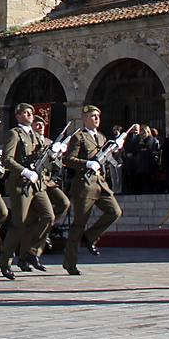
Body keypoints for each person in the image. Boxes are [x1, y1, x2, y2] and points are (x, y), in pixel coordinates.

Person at [61, 105, 129, 276]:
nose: (96, 118)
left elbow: (105, 159)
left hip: (100, 183)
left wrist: (114, 149)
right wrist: (86, 163)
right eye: (92, 116)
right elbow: (68, 159)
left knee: (114, 211)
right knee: (79, 223)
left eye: (98, 115)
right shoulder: (79, 137)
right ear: (84, 119)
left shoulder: (101, 137)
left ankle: (91, 236)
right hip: (84, 184)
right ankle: (70, 262)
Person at [0, 103, 54, 280]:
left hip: (37, 184)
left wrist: (54, 153)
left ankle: (32, 252)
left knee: (48, 216)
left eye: (31, 113)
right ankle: (5, 260)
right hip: (21, 184)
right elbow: (7, 160)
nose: (30, 115)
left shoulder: (36, 136)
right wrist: (25, 171)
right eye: (26, 113)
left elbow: (44, 156)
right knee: (19, 223)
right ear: (18, 115)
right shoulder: (15, 134)